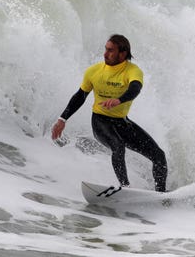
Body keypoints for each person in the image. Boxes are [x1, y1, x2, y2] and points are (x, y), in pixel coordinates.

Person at [51, 34, 168, 192]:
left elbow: (135, 89)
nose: (105, 54)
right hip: (100, 122)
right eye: (105, 49)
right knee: (118, 146)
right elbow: (80, 96)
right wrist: (62, 119)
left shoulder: (133, 71)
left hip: (122, 122)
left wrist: (119, 100)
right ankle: (125, 188)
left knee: (159, 156)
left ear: (123, 53)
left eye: (111, 51)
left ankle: (160, 194)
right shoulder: (94, 71)